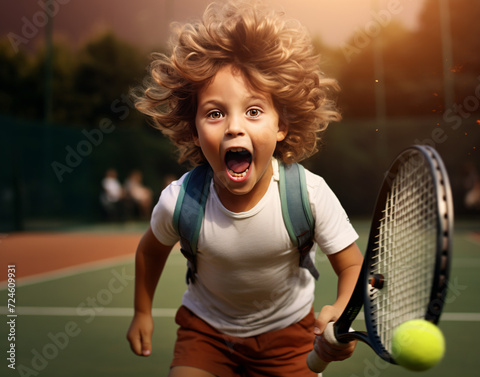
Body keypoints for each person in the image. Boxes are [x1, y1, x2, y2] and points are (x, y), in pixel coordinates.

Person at [126, 1, 364, 376]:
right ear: (194, 130)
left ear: (280, 125)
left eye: (253, 111)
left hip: (289, 335)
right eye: (215, 113)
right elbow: (150, 252)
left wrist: (340, 310)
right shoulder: (181, 201)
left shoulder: (308, 194)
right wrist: (142, 311)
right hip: (206, 332)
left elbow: (351, 265)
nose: (234, 127)